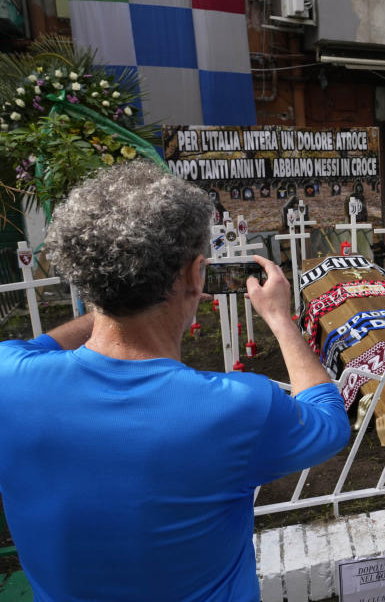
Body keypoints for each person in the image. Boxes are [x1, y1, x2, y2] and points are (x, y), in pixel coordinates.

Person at [0, 161, 351, 601]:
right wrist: (280, 318)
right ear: (193, 273)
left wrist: (116, 298)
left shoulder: (8, 379)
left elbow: (37, 348)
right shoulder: (235, 408)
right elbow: (329, 420)